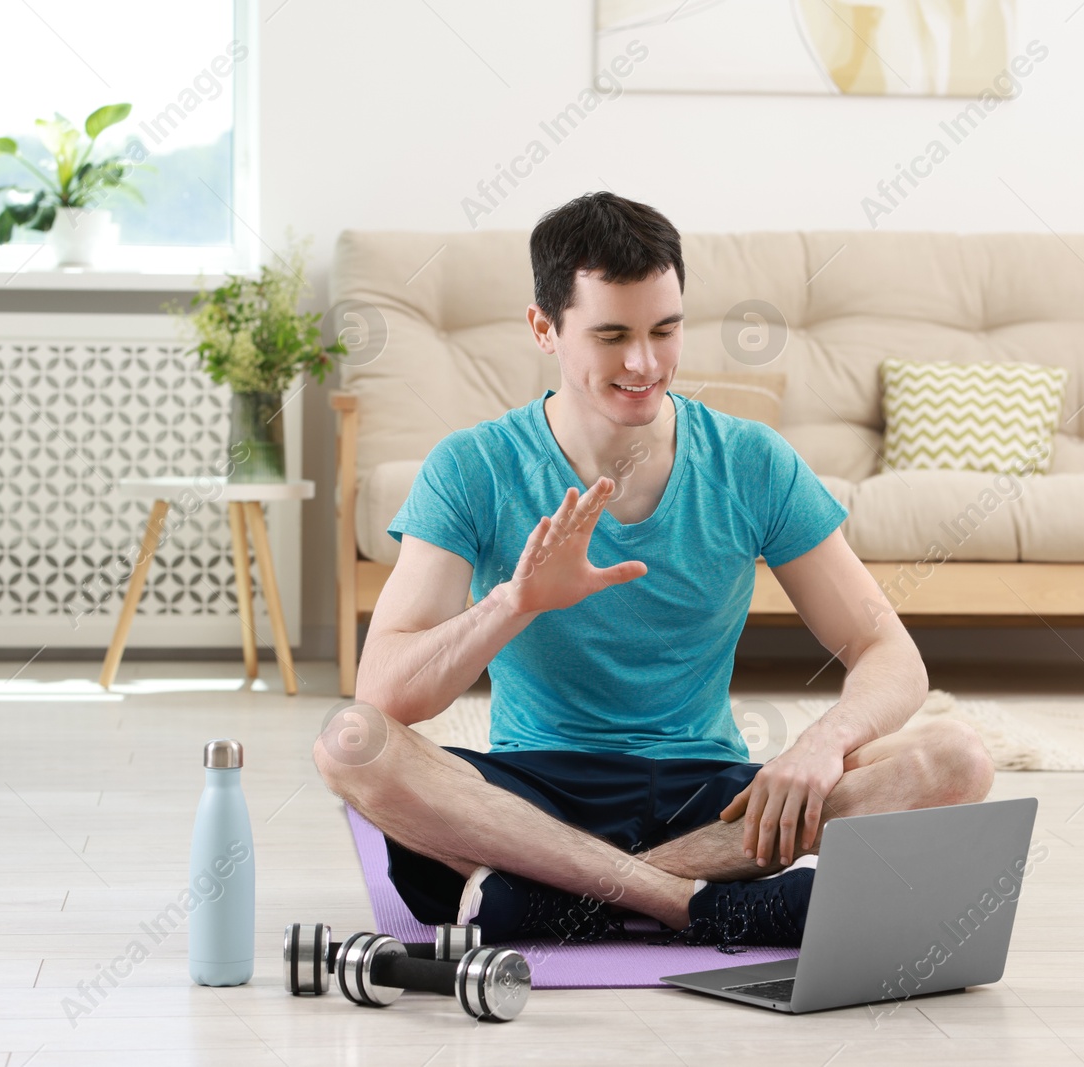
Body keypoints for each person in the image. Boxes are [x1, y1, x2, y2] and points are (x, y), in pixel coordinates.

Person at [314, 191, 993, 946]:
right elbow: (385, 693)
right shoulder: (472, 467)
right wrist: (514, 602)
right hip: (536, 797)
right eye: (612, 335)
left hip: (712, 800)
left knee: (955, 755)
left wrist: (820, 743)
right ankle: (685, 903)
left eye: (665, 331)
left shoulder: (750, 460)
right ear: (544, 327)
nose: (644, 362)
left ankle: (569, 899)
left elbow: (890, 654)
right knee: (350, 741)